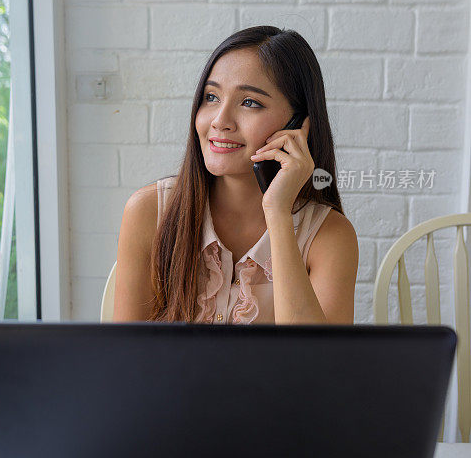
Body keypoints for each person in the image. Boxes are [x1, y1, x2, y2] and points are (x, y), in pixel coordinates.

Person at [113, 25, 358, 325]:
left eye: (250, 103)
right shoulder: (149, 212)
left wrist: (278, 213)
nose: (220, 121)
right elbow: (122, 358)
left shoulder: (329, 236)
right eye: (211, 97)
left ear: (297, 125)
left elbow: (318, 366)